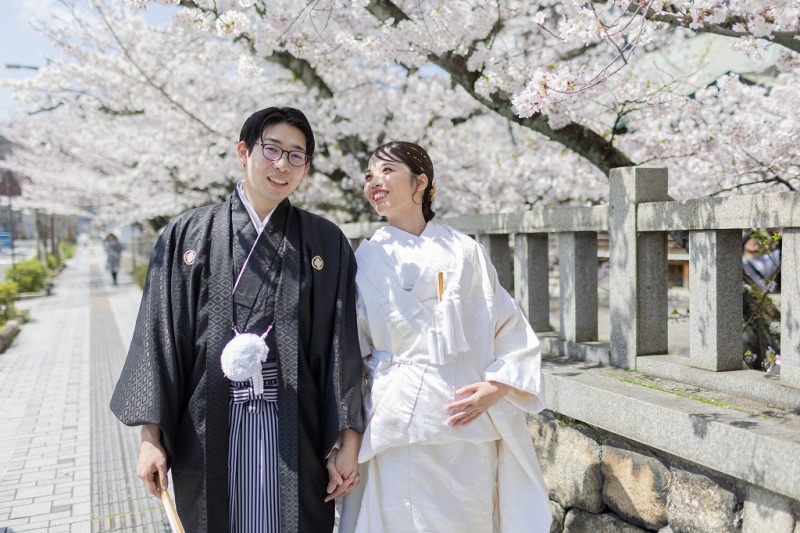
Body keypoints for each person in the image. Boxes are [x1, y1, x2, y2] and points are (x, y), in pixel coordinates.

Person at [110, 107, 364, 532]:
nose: (282, 164)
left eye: (296, 155)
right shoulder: (187, 234)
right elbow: (159, 339)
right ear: (243, 151)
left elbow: (344, 345)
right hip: (208, 424)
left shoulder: (324, 241)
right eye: (272, 149)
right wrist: (150, 440)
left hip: (294, 428)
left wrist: (347, 440)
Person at [340, 141, 551, 532]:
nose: (374, 182)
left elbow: (507, 325)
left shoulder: (464, 251)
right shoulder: (363, 260)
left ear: (421, 182)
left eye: (387, 171)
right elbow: (349, 356)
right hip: (396, 420)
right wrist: (348, 438)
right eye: (369, 175)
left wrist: (498, 386)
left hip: (464, 420)